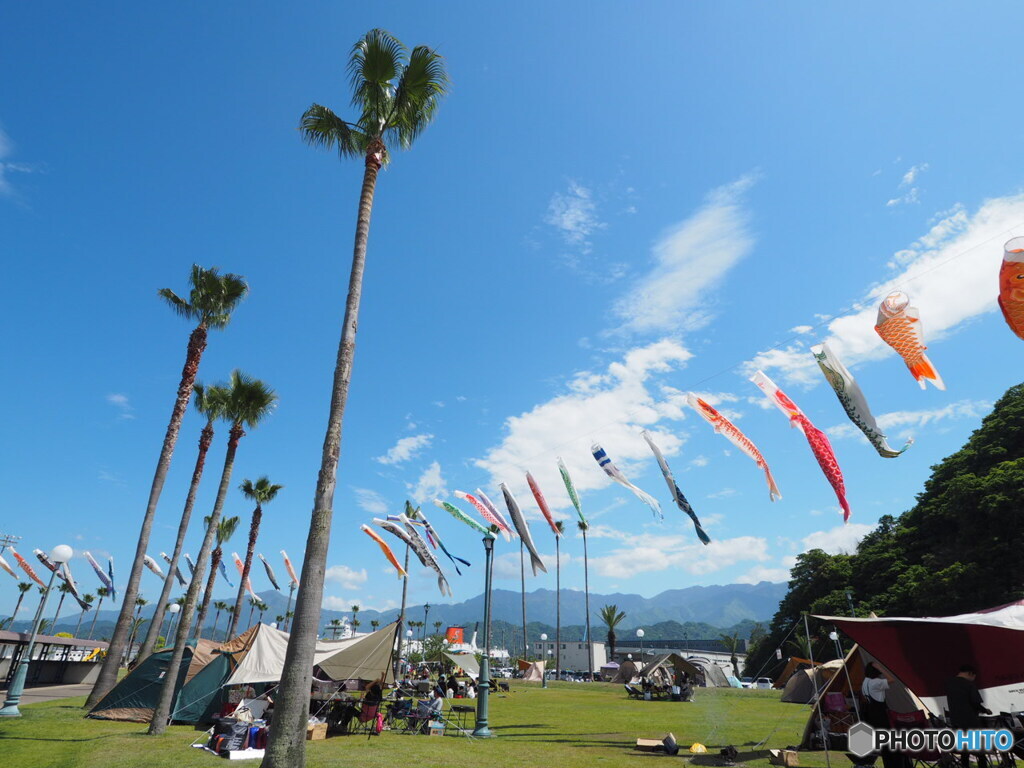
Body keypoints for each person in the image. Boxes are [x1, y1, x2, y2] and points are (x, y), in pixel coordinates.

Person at [860, 662, 907, 768]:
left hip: (872, 715)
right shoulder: (876, 682)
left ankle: (889, 764)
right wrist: (881, 668)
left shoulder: (865, 682)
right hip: (881, 715)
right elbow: (892, 680)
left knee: (884, 744)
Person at [947, 665, 991, 768]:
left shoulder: (949, 683)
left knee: (964, 750)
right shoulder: (968, 684)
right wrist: (985, 710)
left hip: (956, 721)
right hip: (970, 721)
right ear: (970, 674)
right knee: (980, 750)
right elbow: (975, 703)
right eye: (974, 677)